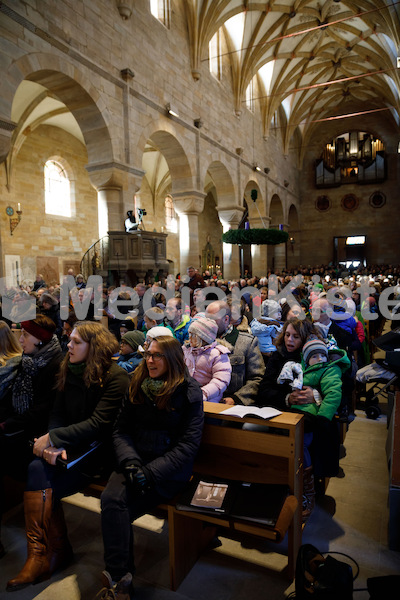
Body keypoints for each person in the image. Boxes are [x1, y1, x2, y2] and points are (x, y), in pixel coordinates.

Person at [6, 321, 130, 591]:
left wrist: (54, 439)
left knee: (42, 476)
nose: (68, 345)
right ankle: (40, 555)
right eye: (69, 340)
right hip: (69, 447)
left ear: (93, 346)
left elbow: (99, 424)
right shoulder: (68, 368)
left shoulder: (116, 376)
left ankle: (55, 553)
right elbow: (57, 412)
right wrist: (54, 440)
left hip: (99, 452)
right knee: (37, 468)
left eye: (76, 342)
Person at [98, 336, 204, 598]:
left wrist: (151, 472)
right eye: (147, 355)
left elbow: (188, 446)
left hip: (167, 471)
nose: (150, 360)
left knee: (118, 510)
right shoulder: (136, 384)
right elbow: (120, 430)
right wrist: (131, 462)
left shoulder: (188, 390)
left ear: (173, 359)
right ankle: (121, 579)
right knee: (111, 500)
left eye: (157, 356)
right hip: (134, 461)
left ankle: (118, 581)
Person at [1, 316, 63, 561]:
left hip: (38, 434)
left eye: (25, 335)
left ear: (39, 340)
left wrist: (8, 423)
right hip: (21, 428)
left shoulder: (53, 365)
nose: (21, 339)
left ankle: (44, 550)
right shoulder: (29, 360)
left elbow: (43, 409)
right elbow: (12, 399)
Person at [205, 300, 264, 406]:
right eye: (206, 319)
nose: (208, 323)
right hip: (203, 400)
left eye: (213, 319)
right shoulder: (201, 342)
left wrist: (237, 398)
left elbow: (257, 378)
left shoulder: (247, 342)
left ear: (226, 319)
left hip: (231, 404)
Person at [182, 315, 232, 402]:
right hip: (186, 396)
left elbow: (220, 380)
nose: (189, 338)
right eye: (189, 334)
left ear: (203, 338)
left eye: (193, 335)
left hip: (209, 399)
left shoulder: (218, 354)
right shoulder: (186, 350)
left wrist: (203, 394)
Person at [249, 299, 283, 365]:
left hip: (258, 351)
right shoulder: (273, 325)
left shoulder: (257, 322)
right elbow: (277, 336)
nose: (279, 314)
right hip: (270, 350)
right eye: (277, 312)